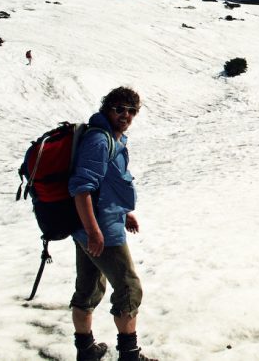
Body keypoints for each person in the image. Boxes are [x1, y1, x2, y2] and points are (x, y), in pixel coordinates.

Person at [68, 87, 156, 361]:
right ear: (108, 108)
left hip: (91, 227)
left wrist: (125, 212)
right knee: (129, 288)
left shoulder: (113, 139)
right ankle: (129, 355)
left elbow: (109, 182)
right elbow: (81, 188)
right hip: (101, 231)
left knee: (89, 288)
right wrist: (95, 232)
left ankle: (86, 352)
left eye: (132, 111)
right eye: (120, 109)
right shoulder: (99, 140)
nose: (126, 115)